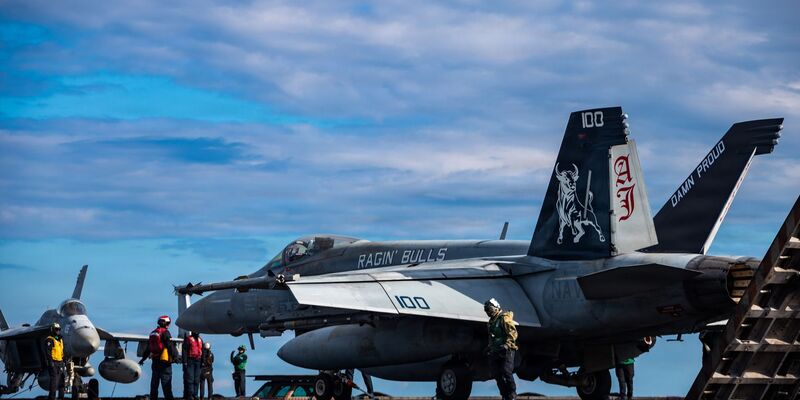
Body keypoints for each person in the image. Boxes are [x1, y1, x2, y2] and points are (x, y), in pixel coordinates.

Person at [484, 298, 518, 400]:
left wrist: (507, 345)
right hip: (495, 350)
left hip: (507, 350)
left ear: (495, 308)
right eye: (487, 310)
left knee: (506, 371)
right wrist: (489, 347)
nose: (488, 312)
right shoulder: (491, 322)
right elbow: (492, 337)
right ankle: (504, 395)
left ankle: (512, 393)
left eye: (489, 309)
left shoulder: (504, 318)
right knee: (496, 374)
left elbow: (513, 332)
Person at [139, 316, 178, 400]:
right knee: (166, 385)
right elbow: (170, 345)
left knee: (154, 385)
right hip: (164, 362)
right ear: (166, 324)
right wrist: (176, 357)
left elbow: (148, 348)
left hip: (155, 362)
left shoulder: (153, 333)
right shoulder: (165, 332)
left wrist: (143, 359)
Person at [43, 323, 65, 400]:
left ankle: (61, 397)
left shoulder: (60, 340)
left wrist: (63, 361)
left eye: (59, 329)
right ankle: (51, 397)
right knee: (54, 380)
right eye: (56, 329)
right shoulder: (50, 340)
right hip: (53, 363)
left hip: (60, 362)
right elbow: (47, 352)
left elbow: (61, 352)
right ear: (52, 330)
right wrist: (50, 362)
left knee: (62, 379)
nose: (58, 331)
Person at [182, 332, 203, 400]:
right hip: (190, 360)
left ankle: (195, 395)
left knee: (196, 379)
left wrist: (203, 361)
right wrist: (185, 361)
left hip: (198, 361)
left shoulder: (200, 340)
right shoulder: (188, 339)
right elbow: (184, 350)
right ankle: (190, 395)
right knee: (190, 379)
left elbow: (203, 350)